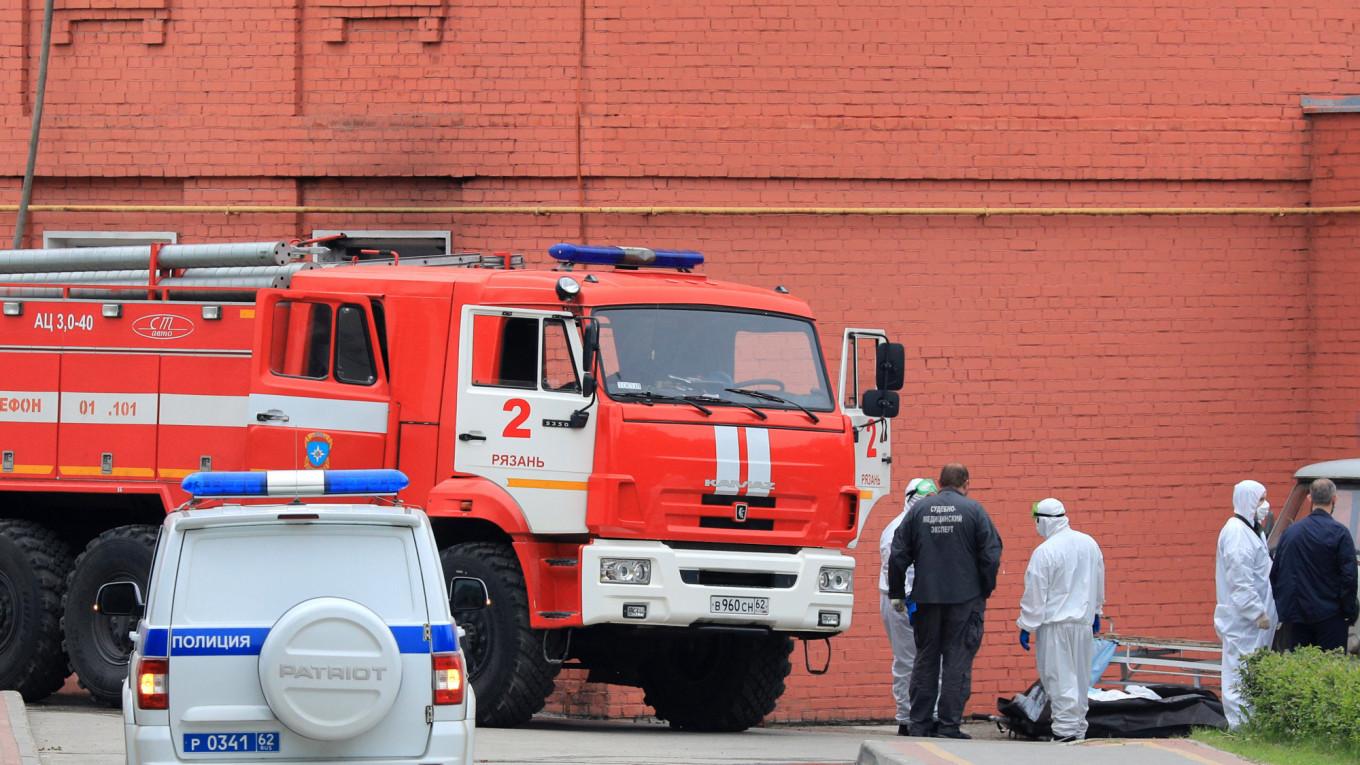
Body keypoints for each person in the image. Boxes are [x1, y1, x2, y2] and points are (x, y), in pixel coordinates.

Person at [888, 463, 1003, 739]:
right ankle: (949, 725)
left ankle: (919, 723)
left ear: (939, 482)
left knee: (926, 659)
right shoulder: (974, 511)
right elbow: (991, 554)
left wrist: (896, 592)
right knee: (957, 661)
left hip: (927, 598)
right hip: (964, 599)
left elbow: (898, 553)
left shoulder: (918, 510)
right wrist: (984, 588)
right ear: (966, 482)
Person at [1017, 498, 1105, 742]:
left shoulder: (1045, 551)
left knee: (1059, 678)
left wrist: (1026, 625)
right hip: (1084, 624)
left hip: (1055, 626)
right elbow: (1099, 579)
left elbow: (1035, 593)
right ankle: (1077, 729)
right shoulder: (1089, 544)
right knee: (1079, 679)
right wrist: (1096, 611)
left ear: (1043, 520)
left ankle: (1065, 733)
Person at [1213, 479, 1276, 729]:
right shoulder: (1237, 533)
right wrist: (1256, 612)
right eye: (1261, 499)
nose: (1265, 504)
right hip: (1244, 620)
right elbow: (1240, 580)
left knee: (1249, 671)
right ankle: (1239, 726)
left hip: (1251, 621)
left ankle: (1251, 723)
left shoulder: (1251, 529)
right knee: (1238, 671)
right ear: (1248, 501)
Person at [878, 477, 939, 735]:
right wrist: (906, 597)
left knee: (931, 660)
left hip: (924, 601)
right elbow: (897, 567)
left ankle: (929, 715)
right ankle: (907, 718)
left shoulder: (928, 526)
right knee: (907, 661)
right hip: (899, 602)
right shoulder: (896, 529)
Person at [1271, 478, 1359, 651]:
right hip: (1331, 617)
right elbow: (1349, 578)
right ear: (1334, 499)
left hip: (1297, 619)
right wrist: (1349, 611)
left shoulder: (1290, 533)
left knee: (1300, 670)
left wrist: (1286, 610)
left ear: (1310, 499)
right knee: (1329, 671)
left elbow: (1276, 574)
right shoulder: (1340, 534)